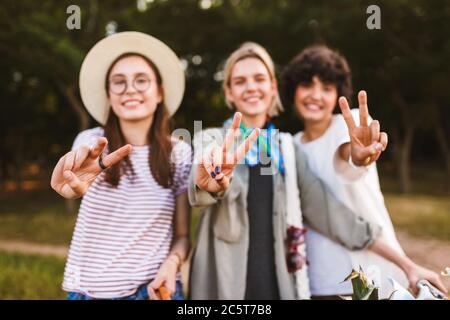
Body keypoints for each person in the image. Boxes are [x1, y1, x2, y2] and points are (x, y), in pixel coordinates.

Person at [188, 42, 387, 300]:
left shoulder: (287, 149)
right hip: (222, 284)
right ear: (228, 92)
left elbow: (330, 214)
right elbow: (201, 184)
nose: (250, 87)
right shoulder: (212, 139)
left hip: (276, 284)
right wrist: (210, 182)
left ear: (272, 88)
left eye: (259, 79)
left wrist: (407, 264)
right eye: (239, 81)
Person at [281, 45, 447, 298]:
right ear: (293, 90)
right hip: (318, 281)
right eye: (307, 85)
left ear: (338, 94)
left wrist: (359, 157)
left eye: (326, 88)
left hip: (372, 273)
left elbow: (349, 161)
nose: (315, 95)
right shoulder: (289, 145)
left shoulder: (351, 127)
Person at [50, 32, 192, 300]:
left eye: (141, 80)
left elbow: (183, 235)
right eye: (119, 82)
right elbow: (75, 183)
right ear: (108, 94)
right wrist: (72, 187)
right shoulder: (91, 143)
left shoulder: (179, 153)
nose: (129, 89)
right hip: (89, 292)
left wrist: (172, 264)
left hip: (152, 290)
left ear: (160, 92)